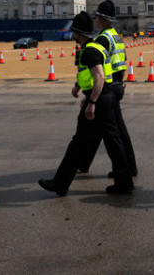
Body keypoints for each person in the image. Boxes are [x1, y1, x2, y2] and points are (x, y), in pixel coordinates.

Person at [39, 11, 133, 196]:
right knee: (113, 142)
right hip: (106, 98)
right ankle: (125, 182)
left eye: (74, 32)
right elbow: (99, 77)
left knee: (78, 142)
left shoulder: (89, 51)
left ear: (77, 33)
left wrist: (91, 101)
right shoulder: (97, 47)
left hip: (99, 100)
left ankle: (60, 183)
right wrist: (85, 91)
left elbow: (99, 77)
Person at [77, 0, 138, 177]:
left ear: (100, 20)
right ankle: (85, 162)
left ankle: (126, 168)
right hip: (117, 84)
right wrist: (121, 84)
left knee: (112, 130)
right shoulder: (116, 37)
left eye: (97, 17)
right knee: (101, 128)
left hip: (108, 87)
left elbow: (99, 67)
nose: (96, 20)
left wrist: (91, 95)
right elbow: (124, 63)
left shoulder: (103, 39)